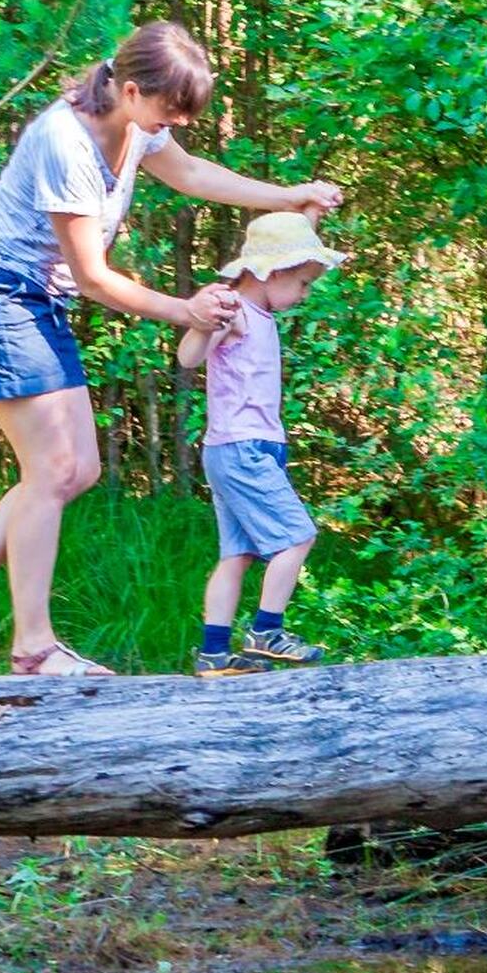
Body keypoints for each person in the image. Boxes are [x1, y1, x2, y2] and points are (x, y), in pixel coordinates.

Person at [0, 23, 342, 678]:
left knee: (75, 470)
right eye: (170, 111)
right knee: (53, 470)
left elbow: (191, 172)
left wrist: (290, 196)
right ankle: (33, 648)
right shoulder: (67, 143)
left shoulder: (137, 121)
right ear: (131, 90)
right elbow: (94, 277)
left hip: (38, 298)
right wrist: (185, 311)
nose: (173, 124)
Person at [180, 210, 346, 677]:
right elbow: (189, 357)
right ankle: (266, 631)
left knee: (238, 554)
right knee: (298, 536)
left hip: (251, 446)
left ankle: (213, 652)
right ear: (271, 273)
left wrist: (311, 207)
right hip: (241, 447)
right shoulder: (235, 313)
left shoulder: (261, 311)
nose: (305, 294)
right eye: (303, 283)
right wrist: (202, 323)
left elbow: (288, 234)